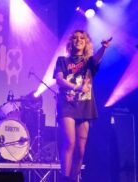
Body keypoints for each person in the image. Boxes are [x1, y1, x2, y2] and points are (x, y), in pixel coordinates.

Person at [53, 30, 112, 181]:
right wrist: (76, 87)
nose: (78, 40)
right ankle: (64, 179)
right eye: (75, 38)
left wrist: (104, 48)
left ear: (86, 43)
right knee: (70, 143)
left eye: (82, 38)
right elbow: (59, 80)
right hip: (67, 104)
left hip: (85, 106)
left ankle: (73, 179)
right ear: (71, 42)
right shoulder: (62, 61)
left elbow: (97, 59)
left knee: (80, 150)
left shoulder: (89, 62)